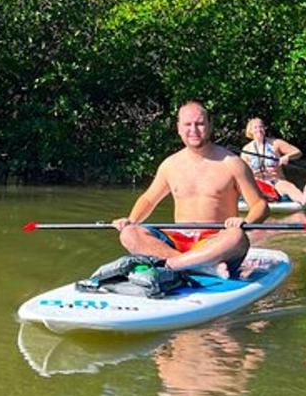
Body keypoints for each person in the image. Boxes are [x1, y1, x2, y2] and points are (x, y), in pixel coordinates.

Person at [113, 101, 269, 278]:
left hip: (216, 241)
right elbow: (149, 199)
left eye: (200, 124)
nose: (193, 130)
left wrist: (246, 221)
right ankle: (198, 267)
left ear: (210, 126)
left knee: (236, 237)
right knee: (129, 234)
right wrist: (131, 220)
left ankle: (173, 264)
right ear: (178, 128)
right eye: (187, 124)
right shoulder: (170, 165)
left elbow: (260, 205)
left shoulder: (233, 164)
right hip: (178, 240)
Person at [241, 117, 306, 206]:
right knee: (248, 186)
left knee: (288, 187)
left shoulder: (276, 143)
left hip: (277, 181)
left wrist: (287, 157)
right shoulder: (246, 150)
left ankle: (303, 199)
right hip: (259, 183)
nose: (259, 130)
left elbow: (298, 152)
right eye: (255, 127)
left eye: (261, 127)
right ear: (250, 131)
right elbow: (242, 172)